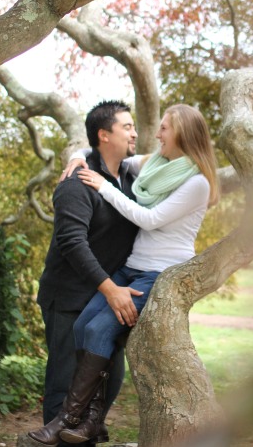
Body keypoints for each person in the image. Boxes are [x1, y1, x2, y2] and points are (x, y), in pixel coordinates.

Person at [42, 104, 219, 445]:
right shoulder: (103, 177)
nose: (148, 133)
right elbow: (72, 241)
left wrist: (103, 185)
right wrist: (77, 156)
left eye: (163, 128)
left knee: (107, 362)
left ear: (182, 133)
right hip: (79, 290)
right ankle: (67, 429)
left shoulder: (165, 178)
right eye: (128, 126)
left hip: (135, 280)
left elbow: (149, 218)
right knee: (66, 371)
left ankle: (87, 425)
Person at [30, 100, 143, 446]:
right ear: (104, 135)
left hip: (105, 299)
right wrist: (111, 289)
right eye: (126, 127)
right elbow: (71, 243)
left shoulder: (130, 176)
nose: (134, 132)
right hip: (69, 298)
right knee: (66, 385)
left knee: (110, 381)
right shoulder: (75, 182)